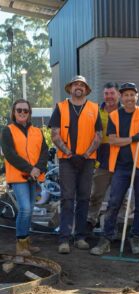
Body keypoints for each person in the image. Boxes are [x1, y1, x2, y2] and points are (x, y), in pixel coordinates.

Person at [90, 82, 139, 255]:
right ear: (121, 97)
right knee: (114, 203)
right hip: (121, 167)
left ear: (137, 96)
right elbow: (113, 140)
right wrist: (132, 139)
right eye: (125, 95)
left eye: (132, 95)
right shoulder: (114, 116)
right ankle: (106, 239)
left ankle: (136, 238)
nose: (129, 98)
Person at [49, 75, 102, 254]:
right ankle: (64, 239)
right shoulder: (60, 107)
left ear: (86, 89)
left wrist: (86, 154)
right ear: (70, 88)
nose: (78, 87)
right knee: (67, 198)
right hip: (67, 160)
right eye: (75, 84)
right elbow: (54, 134)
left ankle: (80, 237)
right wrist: (70, 154)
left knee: (84, 198)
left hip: (87, 161)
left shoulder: (94, 108)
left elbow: (99, 136)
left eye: (82, 84)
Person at [2, 99, 48, 255]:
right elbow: (10, 155)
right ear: (14, 112)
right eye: (19, 110)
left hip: (34, 176)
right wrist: (30, 169)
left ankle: (26, 242)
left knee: (29, 210)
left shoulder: (37, 131)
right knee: (25, 209)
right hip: (18, 176)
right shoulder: (8, 130)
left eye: (25, 110)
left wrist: (38, 169)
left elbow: (44, 153)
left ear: (29, 113)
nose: (22, 113)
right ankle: (20, 245)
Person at [86, 82, 120, 232]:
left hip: (120, 160)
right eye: (106, 93)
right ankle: (90, 222)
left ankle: (116, 225)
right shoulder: (96, 111)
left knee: (121, 198)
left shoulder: (125, 111)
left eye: (112, 93)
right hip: (102, 160)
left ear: (118, 94)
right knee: (96, 195)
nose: (109, 97)